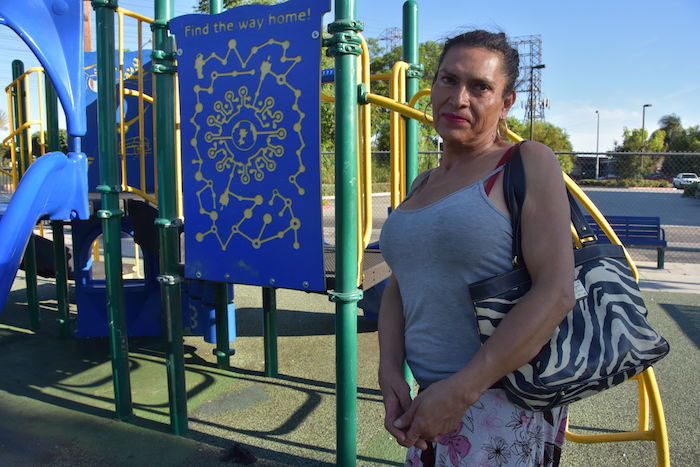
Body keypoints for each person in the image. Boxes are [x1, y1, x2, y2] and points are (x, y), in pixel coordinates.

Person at [378, 30, 575, 467]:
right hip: (430, 399)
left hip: (500, 401)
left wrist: (462, 390)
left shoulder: (525, 162)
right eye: (448, 80)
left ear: (506, 103)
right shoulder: (423, 183)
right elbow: (400, 282)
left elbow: (556, 291)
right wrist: (390, 370)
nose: (459, 98)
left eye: (480, 87)